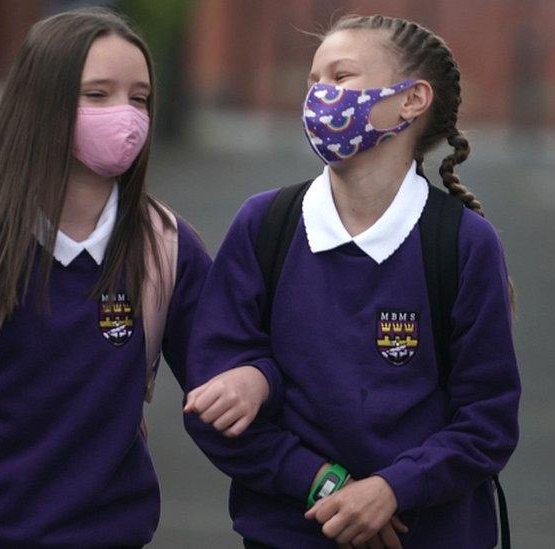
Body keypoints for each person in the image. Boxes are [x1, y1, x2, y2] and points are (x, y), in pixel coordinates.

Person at [0, 8, 251, 547]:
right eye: (97, 94)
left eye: (139, 98)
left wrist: (257, 379)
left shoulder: (164, 249)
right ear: (41, 104)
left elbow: (225, 376)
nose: (126, 115)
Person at [184, 14, 521, 548]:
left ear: (412, 100)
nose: (319, 96)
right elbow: (210, 405)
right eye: (313, 81)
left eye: (340, 78)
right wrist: (323, 482)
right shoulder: (264, 225)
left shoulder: (463, 243)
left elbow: (488, 423)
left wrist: (393, 490)